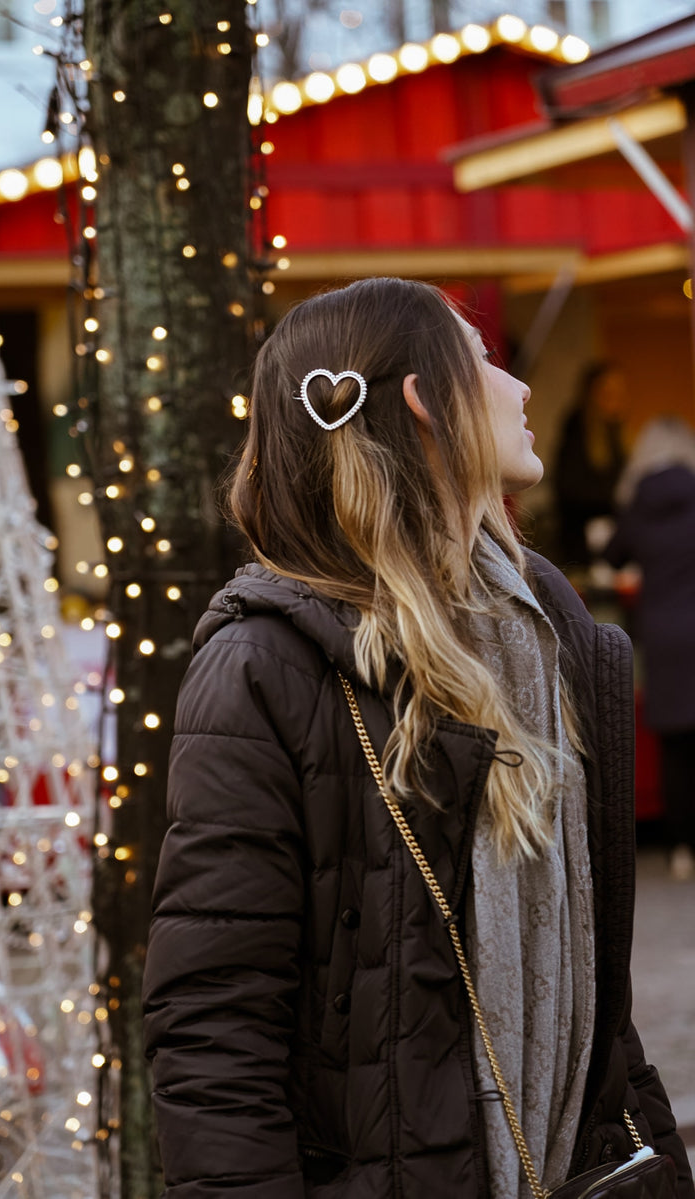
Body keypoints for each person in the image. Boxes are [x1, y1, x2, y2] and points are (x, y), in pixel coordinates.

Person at [142, 279, 693, 1198]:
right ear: (423, 400)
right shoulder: (265, 664)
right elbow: (214, 1026)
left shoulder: (547, 629)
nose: (519, 387)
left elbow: (589, 987)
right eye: (483, 362)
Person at [605, 416, 695, 881]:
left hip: (662, 636)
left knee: (675, 746)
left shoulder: (638, 503)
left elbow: (612, 556)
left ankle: (681, 847)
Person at [553, 361, 627, 567]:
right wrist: (617, 499)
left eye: (620, 393)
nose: (616, 400)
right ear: (592, 395)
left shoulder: (616, 434)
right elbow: (570, 490)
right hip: (583, 545)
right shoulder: (577, 434)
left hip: (610, 542)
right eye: (608, 393)